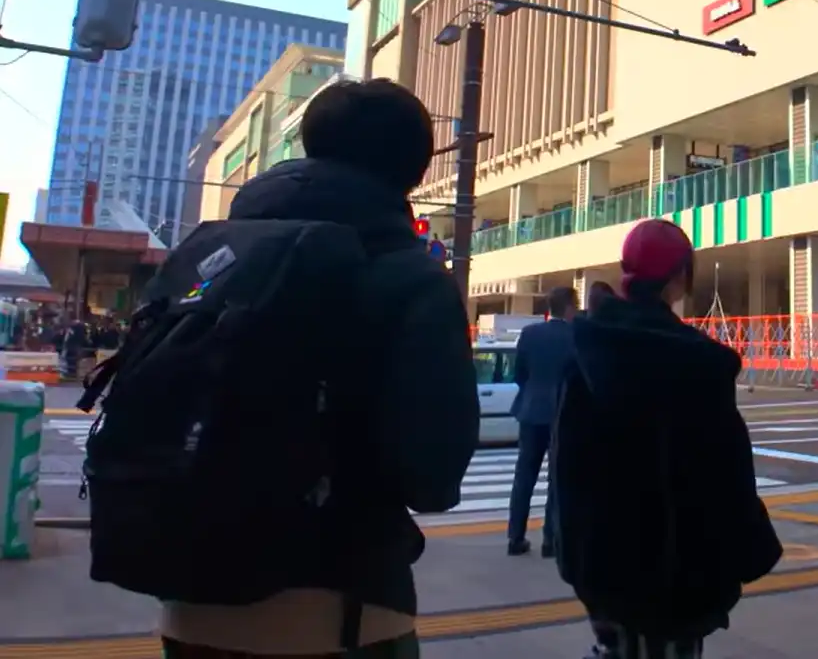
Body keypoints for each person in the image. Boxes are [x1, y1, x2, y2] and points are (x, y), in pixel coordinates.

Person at [113, 78, 479, 658]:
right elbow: (432, 476)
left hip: (187, 606)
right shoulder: (408, 278)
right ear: (415, 169)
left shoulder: (214, 255)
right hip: (340, 612)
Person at [552, 219, 781, 658]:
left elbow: (565, 466)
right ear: (678, 278)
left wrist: (572, 553)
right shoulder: (697, 366)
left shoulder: (585, 352)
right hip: (678, 578)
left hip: (599, 568)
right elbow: (728, 480)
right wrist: (747, 554)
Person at [508, 286, 578, 557]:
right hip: (562, 412)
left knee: (524, 476)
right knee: (557, 478)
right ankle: (550, 539)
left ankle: (515, 537)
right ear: (570, 307)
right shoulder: (575, 336)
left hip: (530, 409)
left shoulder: (530, 334)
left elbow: (519, 374)